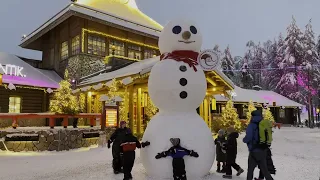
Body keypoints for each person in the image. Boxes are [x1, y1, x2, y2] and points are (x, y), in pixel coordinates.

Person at [243, 110, 274, 180]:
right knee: (265, 170)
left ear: (252, 116)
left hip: (254, 150)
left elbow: (249, 137)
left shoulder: (251, 125)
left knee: (250, 170)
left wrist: (244, 140)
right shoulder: (264, 124)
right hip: (263, 150)